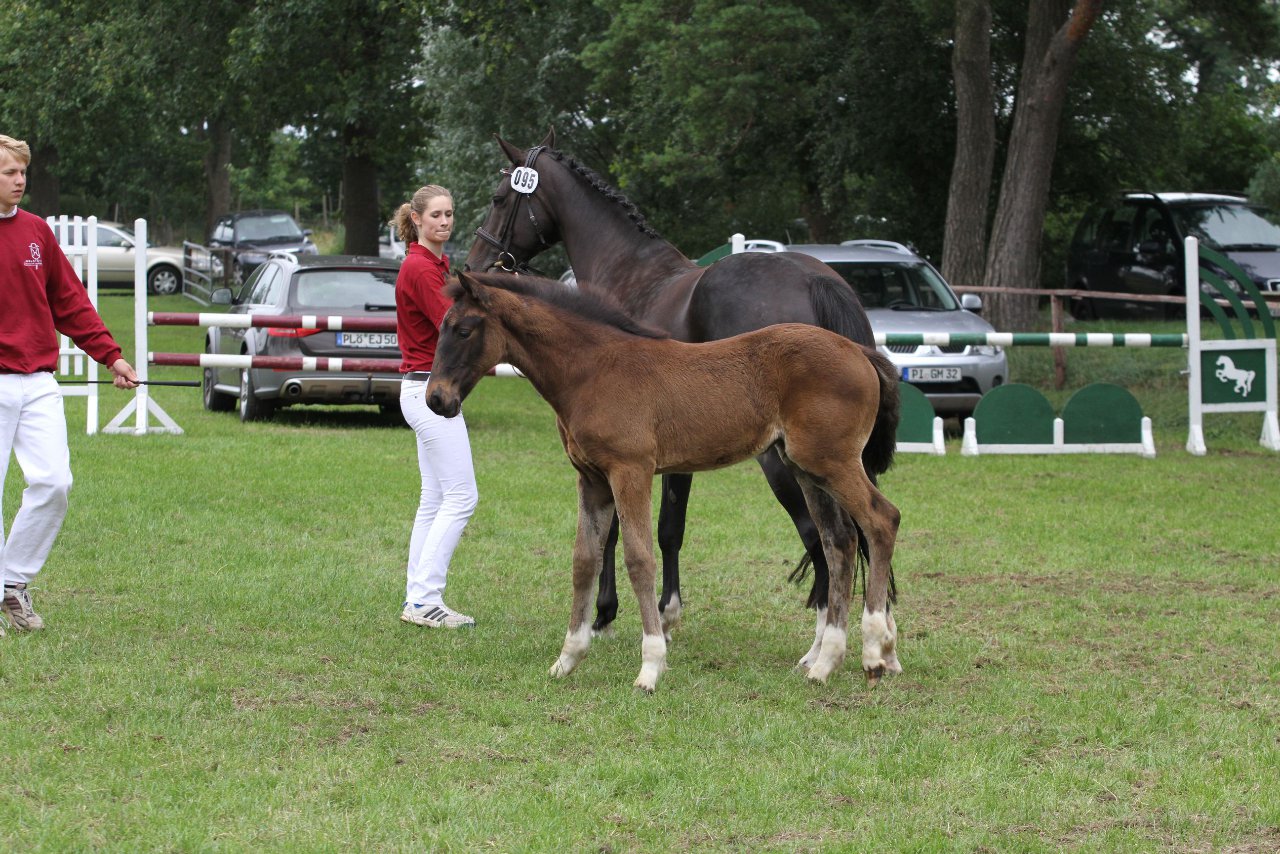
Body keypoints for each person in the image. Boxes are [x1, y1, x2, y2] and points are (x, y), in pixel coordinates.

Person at [0, 134, 139, 636]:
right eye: (10, 173)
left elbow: (70, 302)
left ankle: (12, 584)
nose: (20, 181)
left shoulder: (37, 232)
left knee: (55, 483)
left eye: (22, 173)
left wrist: (112, 356)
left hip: (37, 380)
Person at [391, 185, 477, 629]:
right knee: (463, 497)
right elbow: (454, 322)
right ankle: (425, 600)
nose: (444, 221)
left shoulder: (435, 264)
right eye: (436, 215)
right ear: (418, 220)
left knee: (435, 499)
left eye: (450, 214)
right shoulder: (421, 268)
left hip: (422, 388)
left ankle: (417, 598)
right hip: (429, 390)